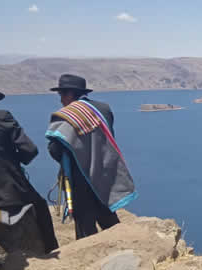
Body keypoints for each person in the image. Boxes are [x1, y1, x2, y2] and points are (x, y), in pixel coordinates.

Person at [46, 74, 137, 239]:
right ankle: (121, 243)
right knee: (107, 214)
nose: (61, 100)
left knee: (84, 223)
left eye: (62, 95)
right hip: (105, 172)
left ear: (70, 94)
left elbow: (54, 149)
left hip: (80, 177)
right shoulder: (103, 109)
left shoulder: (66, 116)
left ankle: (90, 249)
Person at [0, 87, 59, 267]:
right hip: (9, 192)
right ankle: (49, 250)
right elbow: (30, 150)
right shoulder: (2, 117)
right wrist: (14, 159)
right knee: (40, 205)